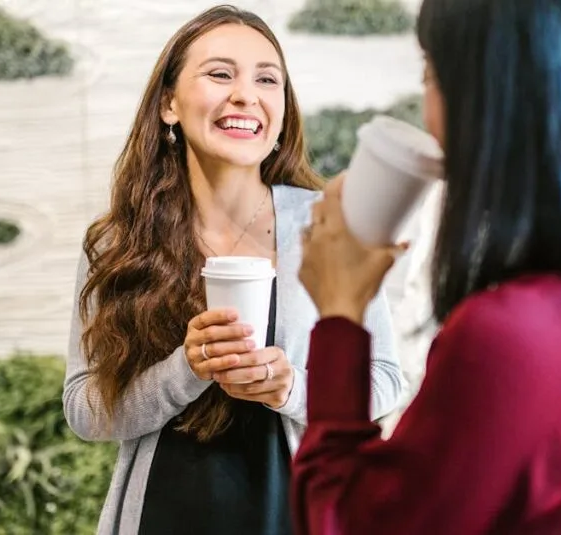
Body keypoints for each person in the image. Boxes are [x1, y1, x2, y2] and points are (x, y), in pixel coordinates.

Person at [292, 0, 561, 533]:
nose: (429, 113)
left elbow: (348, 520)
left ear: (499, 97)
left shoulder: (512, 336)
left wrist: (339, 313)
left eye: (433, 73)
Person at [62, 5, 404, 534]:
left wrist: (288, 386)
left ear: (282, 109)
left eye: (267, 79)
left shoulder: (330, 225)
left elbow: (383, 380)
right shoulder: (118, 243)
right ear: (168, 104)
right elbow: (86, 411)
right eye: (221, 73)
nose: (247, 94)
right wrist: (187, 369)